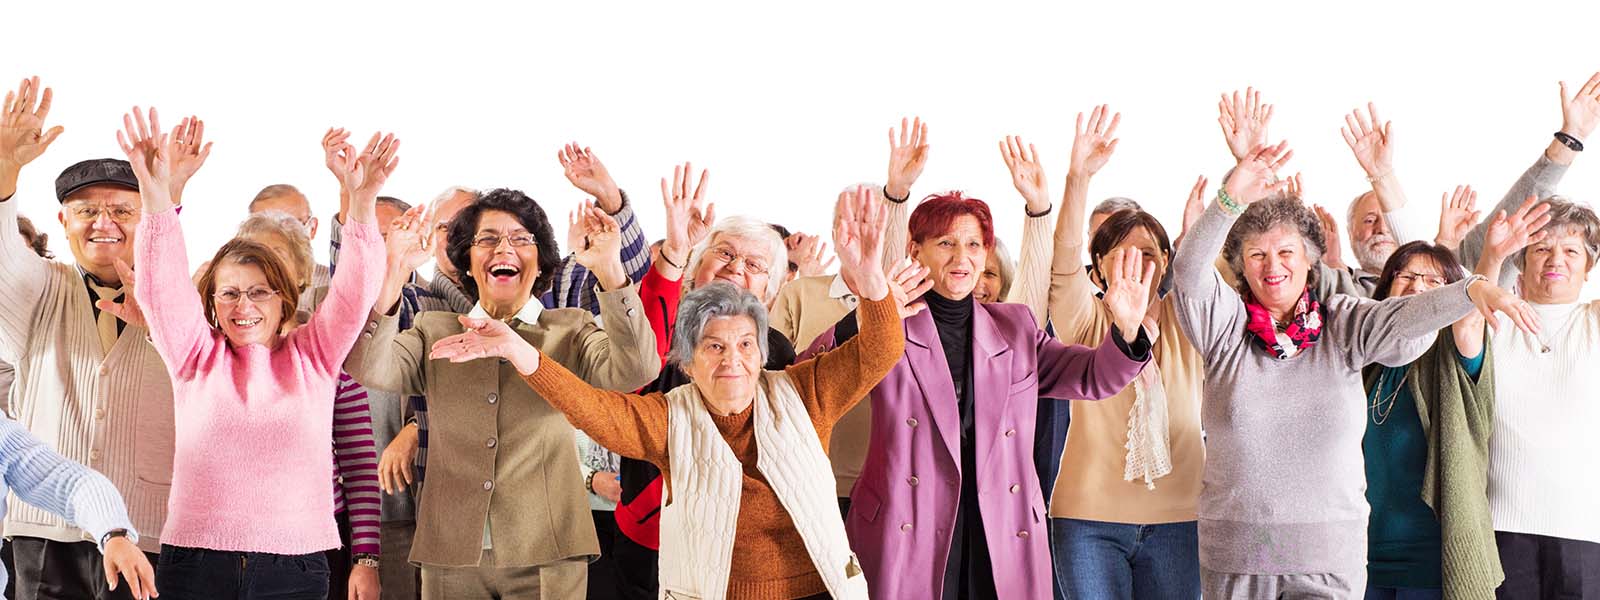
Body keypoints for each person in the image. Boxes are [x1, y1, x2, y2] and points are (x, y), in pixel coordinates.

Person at [434, 185, 903, 599]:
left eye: (744, 344)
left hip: (816, 585)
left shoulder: (802, 388)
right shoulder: (668, 404)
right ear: (687, 357)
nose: (730, 360)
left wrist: (871, 282)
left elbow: (880, 349)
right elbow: (594, 404)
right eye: (713, 346)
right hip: (684, 568)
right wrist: (523, 354)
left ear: (763, 346)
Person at [1170, 142, 1535, 598]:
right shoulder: (1225, 328)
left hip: (1328, 557)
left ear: (1309, 260)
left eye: (1285, 252)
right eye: (1257, 256)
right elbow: (1188, 273)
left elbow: (1402, 318)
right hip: (1240, 556)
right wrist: (1229, 201)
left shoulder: (1343, 322)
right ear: (1242, 266)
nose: (1272, 267)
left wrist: (1470, 290)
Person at [807, 189, 1156, 599]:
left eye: (974, 244)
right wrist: (870, 313)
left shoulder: (1015, 325)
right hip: (909, 524)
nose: (962, 257)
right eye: (946, 244)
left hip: (1000, 530)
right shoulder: (890, 324)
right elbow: (811, 377)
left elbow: (1093, 377)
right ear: (915, 251)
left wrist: (1128, 330)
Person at [115, 107, 394, 598]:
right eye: (229, 293)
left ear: (285, 297)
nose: (243, 306)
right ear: (213, 301)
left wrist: (362, 200)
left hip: (296, 568)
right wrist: (155, 194)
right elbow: (160, 288)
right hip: (196, 563)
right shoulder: (194, 358)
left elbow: (355, 291)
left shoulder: (315, 357)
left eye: (260, 292)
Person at [344, 183, 659, 599]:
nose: (503, 249)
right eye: (487, 239)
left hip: (549, 549)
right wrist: (394, 272)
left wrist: (610, 270)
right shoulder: (432, 330)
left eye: (520, 239)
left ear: (540, 259)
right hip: (451, 551)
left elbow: (636, 367)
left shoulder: (570, 328)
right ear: (469, 263)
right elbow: (366, 366)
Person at [0, 77, 203, 600]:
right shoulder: (40, 288)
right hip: (42, 529)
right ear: (63, 221)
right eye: (86, 211)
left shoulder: (181, 300)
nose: (103, 223)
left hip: (148, 528)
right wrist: (6, 170)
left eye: (121, 211)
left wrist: (167, 195)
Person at [611, 163, 798, 599]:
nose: (736, 268)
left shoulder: (778, 350)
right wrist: (675, 249)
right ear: (697, 267)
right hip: (650, 533)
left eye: (755, 264)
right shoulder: (662, 320)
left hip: (739, 541)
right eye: (726, 254)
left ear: (769, 293)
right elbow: (636, 366)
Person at [1044, 104, 1207, 599]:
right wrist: (1077, 178)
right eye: (1121, 255)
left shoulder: (1191, 320)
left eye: (1151, 254)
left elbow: (1208, 276)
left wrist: (1200, 235)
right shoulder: (1085, 321)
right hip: (1088, 520)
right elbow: (1062, 266)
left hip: (1182, 520)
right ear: (1098, 271)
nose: (1138, 265)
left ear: (1168, 265)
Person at [1359, 188, 1548, 600]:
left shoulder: (1452, 351)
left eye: (1433, 281)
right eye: (1405, 276)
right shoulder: (1369, 361)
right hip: (1367, 559)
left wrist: (1492, 259)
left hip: (1433, 562)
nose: (1416, 287)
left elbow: (1467, 317)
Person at [248, 183, 330, 301]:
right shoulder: (229, 284)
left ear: (312, 228)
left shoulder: (333, 286)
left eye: (292, 225)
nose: (277, 236)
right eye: (263, 226)